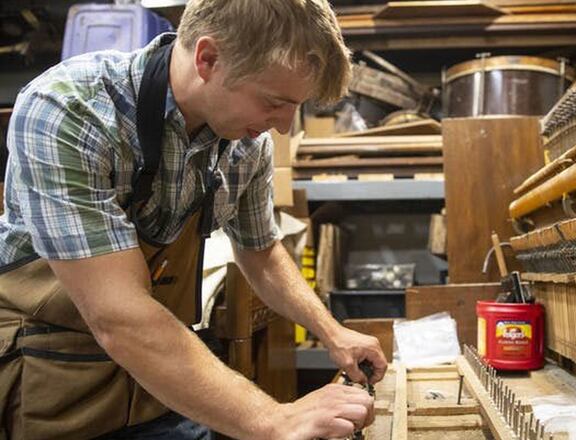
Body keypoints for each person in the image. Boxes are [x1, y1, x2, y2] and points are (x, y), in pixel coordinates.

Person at [0, 0, 387, 439]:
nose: (283, 127)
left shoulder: (243, 143)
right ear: (208, 58)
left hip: (160, 385)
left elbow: (259, 251)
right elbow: (117, 315)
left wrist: (331, 332)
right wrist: (273, 418)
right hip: (55, 380)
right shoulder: (70, 111)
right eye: (275, 102)